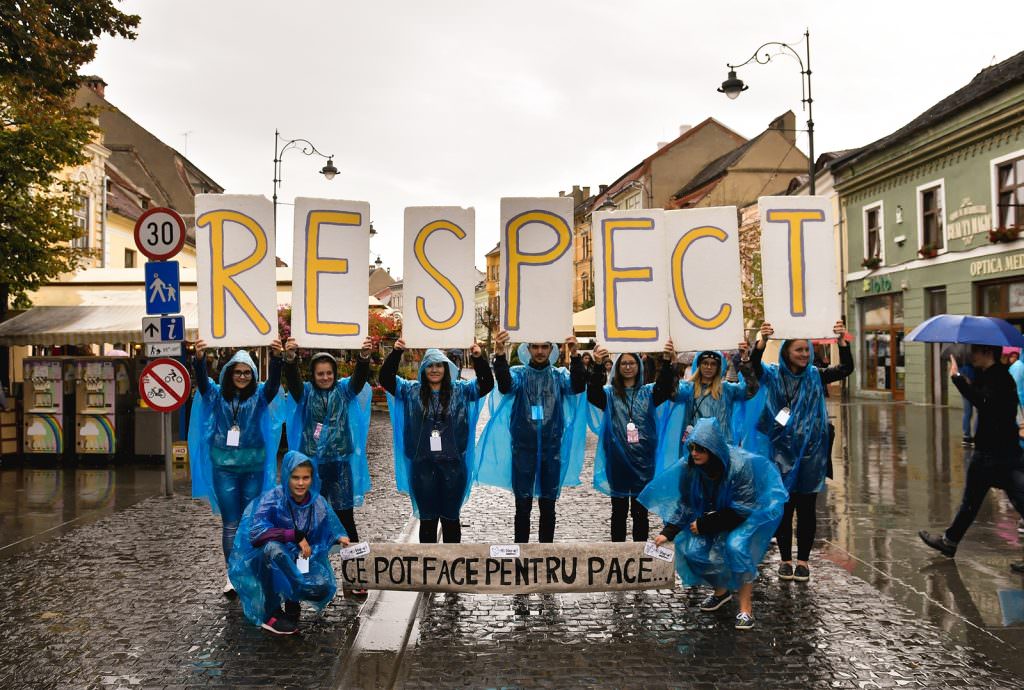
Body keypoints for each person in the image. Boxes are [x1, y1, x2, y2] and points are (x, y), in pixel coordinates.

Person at [642, 418, 787, 630]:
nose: (694, 453)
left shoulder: (739, 467)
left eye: (700, 449)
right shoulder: (691, 469)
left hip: (751, 514)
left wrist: (706, 524)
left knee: (736, 547)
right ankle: (721, 592)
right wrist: (668, 532)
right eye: (692, 448)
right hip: (718, 515)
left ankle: (745, 609)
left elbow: (743, 509)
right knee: (693, 551)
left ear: (713, 449)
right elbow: (686, 504)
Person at [746, 319, 853, 583]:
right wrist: (761, 341)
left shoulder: (816, 375)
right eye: (799, 350)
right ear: (786, 352)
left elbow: (846, 368)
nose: (805, 355)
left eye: (807, 350)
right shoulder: (772, 375)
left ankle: (803, 561)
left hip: (811, 454)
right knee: (784, 506)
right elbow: (753, 366)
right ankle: (785, 560)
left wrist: (842, 342)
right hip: (780, 453)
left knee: (807, 508)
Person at [188, 339, 284, 598]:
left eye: (246, 372)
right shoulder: (217, 395)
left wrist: (276, 358)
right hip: (224, 469)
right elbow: (203, 383)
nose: (242, 376)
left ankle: (250, 570)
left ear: (252, 375)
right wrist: (199, 360)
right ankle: (232, 574)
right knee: (231, 523)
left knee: (251, 521)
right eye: (237, 371)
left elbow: (274, 385)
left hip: (253, 467)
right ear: (229, 373)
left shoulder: (261, 396)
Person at [919, 344, 1024, 570]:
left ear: (987, 353)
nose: (971, 356)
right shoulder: (988, 375)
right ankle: (950, 541)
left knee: (1015, 500)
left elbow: (983, 402)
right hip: (995, 453)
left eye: (975, 352)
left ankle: (950, 541)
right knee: (971, 502)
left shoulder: (1000, 378)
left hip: (1000, 454)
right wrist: (961, 374)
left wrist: (957, 378)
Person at [477, 330, 587, 543]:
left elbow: (577, 385)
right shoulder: (519, 374)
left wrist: (575, 356)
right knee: (523, 506)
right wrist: (500, 355)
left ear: (551, 349)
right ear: (527, 349)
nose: (539, 351)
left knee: (548, 506)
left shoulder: (559, 376)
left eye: (544, 346)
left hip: (551, 450)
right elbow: (506, 385)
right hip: (524, 450)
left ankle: (545, 553)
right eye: (535, 346)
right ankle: (522, 553)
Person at [380, 340, 494, 543]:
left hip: (453, 467)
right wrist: (396, 352)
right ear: (423, 369)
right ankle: (428, 566)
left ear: (446, 368)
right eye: (430, 365)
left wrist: (478, 357)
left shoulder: (461, 391)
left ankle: (452, 565)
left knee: (451, 519)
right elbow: (386, 379)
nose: (434, 370)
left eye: (439, 365)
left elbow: (486, 384)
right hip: (422, 467)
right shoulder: (410, 391)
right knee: (428, 521)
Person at [228, 451, 350, 635]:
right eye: (295, 478)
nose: (301, 483)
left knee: (322, 588)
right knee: (274, 550)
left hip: (298, 560)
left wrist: (338, 537)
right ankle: (271, 612)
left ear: (312, 478)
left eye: (305, 478)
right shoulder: (272, 498)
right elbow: (257, 533)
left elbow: (329, 527)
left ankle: (293, 597)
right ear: (287, 476)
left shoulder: (317, 502)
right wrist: (294, 535)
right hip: (265, 560)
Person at [283, 337, 373, 549]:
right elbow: (293, 380)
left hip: (340, 463)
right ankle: (310, 569)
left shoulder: (344, 391)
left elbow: (359, 379)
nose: (325, 377)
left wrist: (364, 357)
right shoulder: (305, 393)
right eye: (320, 373)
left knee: (346, 517)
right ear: (313, 375)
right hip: (312, 466)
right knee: (310, 517)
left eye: (329, 373)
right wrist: (290, 359)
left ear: (335, 373)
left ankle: (355, 571)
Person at [587, 344, 676, 542]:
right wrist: (598, 365)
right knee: (618, 510)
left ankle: (639, 553)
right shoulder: (609, 394)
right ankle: (618, 552)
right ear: (617, 367)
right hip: (617, 459)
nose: (628, 367)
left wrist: (667, 361)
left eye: (632, 363)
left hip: (643, 461)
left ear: (639, 366)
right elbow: (593, 393)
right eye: (624, 363)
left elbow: (665, 387)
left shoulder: (649, 393)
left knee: (640, 511)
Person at [662, 340, 757, 456]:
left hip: (721, 447)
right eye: (705, 363)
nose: (709, 367)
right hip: (695, 448)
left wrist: (745, 360)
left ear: (718, 367)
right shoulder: (688, 388)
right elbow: (670, 392)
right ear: (699, 365)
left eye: (713, 364)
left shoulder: (727, 389)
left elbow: (751, 389)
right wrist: (672, 362)